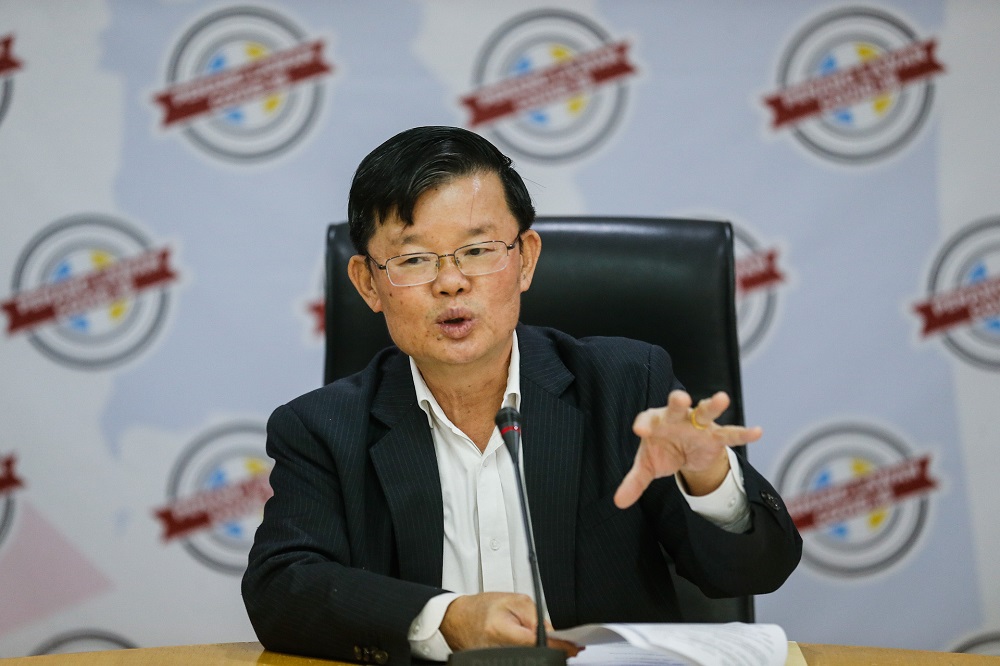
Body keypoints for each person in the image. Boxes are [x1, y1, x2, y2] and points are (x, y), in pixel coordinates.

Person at [242, 126, 802, 665]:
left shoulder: (628, 387)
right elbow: (281, 589)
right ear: (368, 284)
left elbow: (756, 572)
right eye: (414, 260)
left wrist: (708, 479)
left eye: (478, 250)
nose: (451, 282)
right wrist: (446, 620)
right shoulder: (322, 429)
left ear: (526, 258)